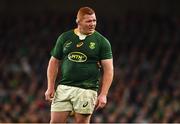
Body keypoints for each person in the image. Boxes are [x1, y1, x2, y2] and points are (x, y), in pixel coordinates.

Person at [45, 6, 114, 123]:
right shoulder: (65, 37)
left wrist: (103, 94)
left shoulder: (102, 42)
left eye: (94, 20)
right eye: (89, 21)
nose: (92, 24)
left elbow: (109, 69)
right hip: (64, 88)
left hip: (87, 90)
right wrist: (50, 86)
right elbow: (53, 62)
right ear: (78, 22)